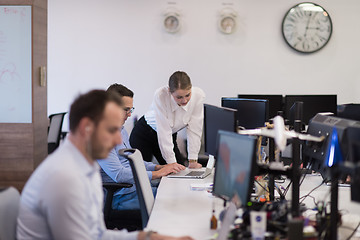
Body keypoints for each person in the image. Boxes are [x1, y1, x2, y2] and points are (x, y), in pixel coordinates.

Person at [17, 90, 193, 240]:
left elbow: (98, 234)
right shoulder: (64, 178)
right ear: (86, 127)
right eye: (112, 130)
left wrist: (149, 237)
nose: (118, 140)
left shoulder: (87, 167)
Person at [98, 84, 185, 210]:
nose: (129, 114)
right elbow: (119, 175)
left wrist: (159, 166)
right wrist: (157, 173)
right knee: (174, 202)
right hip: (120, 197)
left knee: (177, 193)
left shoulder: (121, 130)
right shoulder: (102, 136)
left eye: (130, 110)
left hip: (136, 190)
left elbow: (132, 161)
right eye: (125, 109)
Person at [130, 71, 205, 168]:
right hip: (144, 134)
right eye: (179, 97)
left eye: (187, 95)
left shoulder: (197, 96)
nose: (184, 100)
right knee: (142, 173)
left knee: (180, 171)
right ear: (170, 91)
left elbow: (195, 129)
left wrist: (193, 160)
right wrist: (171, 163)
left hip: (170, 135)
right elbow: (163, 131)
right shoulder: (161, 95)